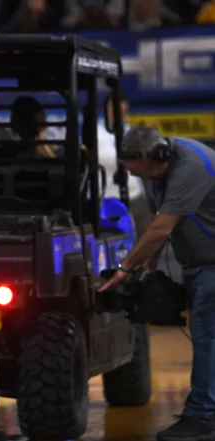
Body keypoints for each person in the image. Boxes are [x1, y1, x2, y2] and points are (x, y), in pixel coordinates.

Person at [97, 126, 215, 441]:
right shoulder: (155, 172)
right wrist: (150, 260)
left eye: (144, 174)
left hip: (213, 267)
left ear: (156, 156)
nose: (144, 181)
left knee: (207, 337)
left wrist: (125, 267)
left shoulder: (191, 165)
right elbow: (159, 223)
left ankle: (202, 416)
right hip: (199, 265)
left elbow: (162, 227)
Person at [98, 94, 152, 238]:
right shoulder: (98, 133)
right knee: (117, 239)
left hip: (134, 192)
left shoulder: (133, 133)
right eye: (114, 109)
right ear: (107, 110)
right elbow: (102, 158)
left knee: (146, 235)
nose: (119, 113)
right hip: (108, 195)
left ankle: (145, 260)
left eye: (123, 109)